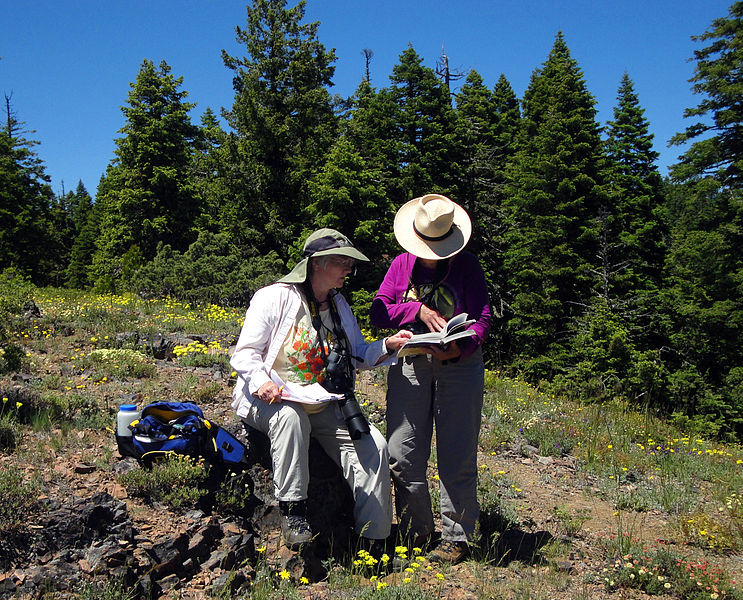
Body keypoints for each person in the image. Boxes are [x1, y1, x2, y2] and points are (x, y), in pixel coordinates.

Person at [230, 228, 412, 553]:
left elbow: (356, 353)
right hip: (273, 400)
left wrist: (389, 344)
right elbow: (245, 354)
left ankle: (375, 541)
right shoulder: (274, 297)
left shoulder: (338, 305)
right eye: (342, 262)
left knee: (375, 447)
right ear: (317, 263)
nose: (347, 270)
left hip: (323, 401)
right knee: (290, 417)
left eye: (349, 264)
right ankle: (293, 511)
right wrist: (263, 383)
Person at [370, 194, 492, 565]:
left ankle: (457, 537)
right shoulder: (401, 265)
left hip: (459, 364)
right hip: (411, 363)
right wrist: (416, 309)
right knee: (402, 450)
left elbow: (484, 317)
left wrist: (461, 348)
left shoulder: (468, 266)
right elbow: (379, 312)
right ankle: (416, 530)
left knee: (457, 449)